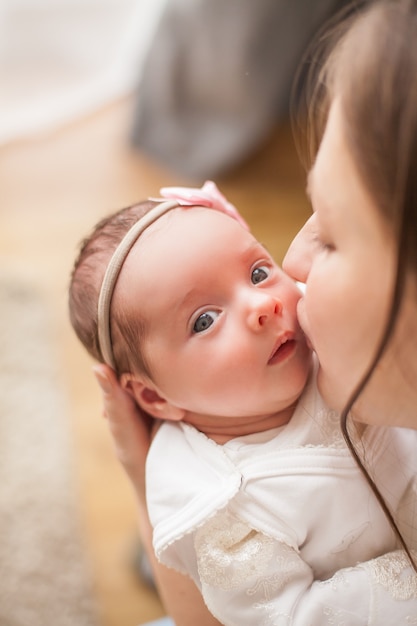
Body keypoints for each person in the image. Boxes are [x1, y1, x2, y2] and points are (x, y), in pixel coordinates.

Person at [90, 0, 417, 623]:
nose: (289, 268)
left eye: (335, 236)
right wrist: (145, 487)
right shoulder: (216, 501)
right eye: (205, 319)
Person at [69, 180, 415, 625]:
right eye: (205, 320)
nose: (262, 305)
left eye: (256, 272)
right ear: (154, 395)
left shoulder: (319, 320)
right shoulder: (218, 507)